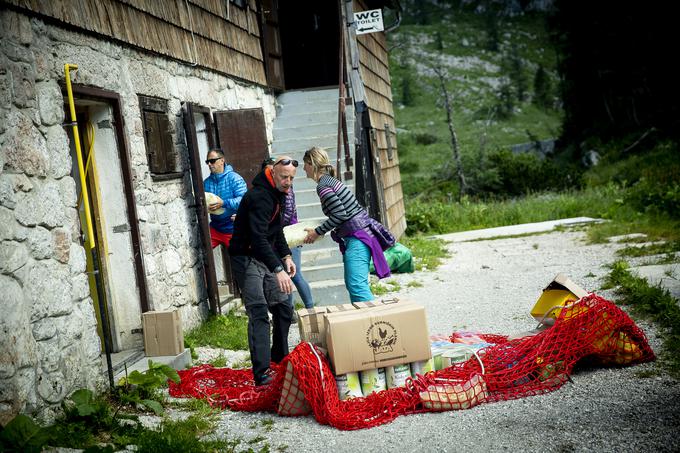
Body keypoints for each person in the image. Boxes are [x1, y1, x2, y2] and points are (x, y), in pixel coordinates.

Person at [228, 156, 298, 386]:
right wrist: (277, 268)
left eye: (291, 178)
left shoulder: (279, 192)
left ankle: (279, 359)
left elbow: (276, 231)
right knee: (259, 313)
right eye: (284, 177)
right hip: (246, 257)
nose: (288, 182)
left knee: (284, 308)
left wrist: (286, 256)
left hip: (264, 254)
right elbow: (258, 239)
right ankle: (262, 374)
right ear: (273, 173)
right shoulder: (259, 197)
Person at [302, 147, 395, 302]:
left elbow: (340, 214)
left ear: (311, 164)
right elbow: (341, 213)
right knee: (354, 284)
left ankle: (371, 322)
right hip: (360, 233)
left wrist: (317, 232)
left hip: (357, 237)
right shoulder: (330, 181)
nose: (304, 168)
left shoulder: (323, 186)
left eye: (305, 164)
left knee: (357, 286)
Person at [262, 157, 315, 309]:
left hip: (290, 236)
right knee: (284, 276)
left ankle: (311, 309)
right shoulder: (265, 193)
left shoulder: (286, 190)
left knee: (295, 275)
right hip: (276, 238)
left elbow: (284, 216)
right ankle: (289, 311)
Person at [203, 148, 247, 248]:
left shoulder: (235, 178)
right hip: (215, 228)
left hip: (233, 228)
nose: (209, 164)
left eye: (212, 161)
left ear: (222, 160)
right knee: (202, 252)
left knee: (239, 261)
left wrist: (223, 203)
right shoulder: (206, 183)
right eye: (207, 162)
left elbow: (244, 201)